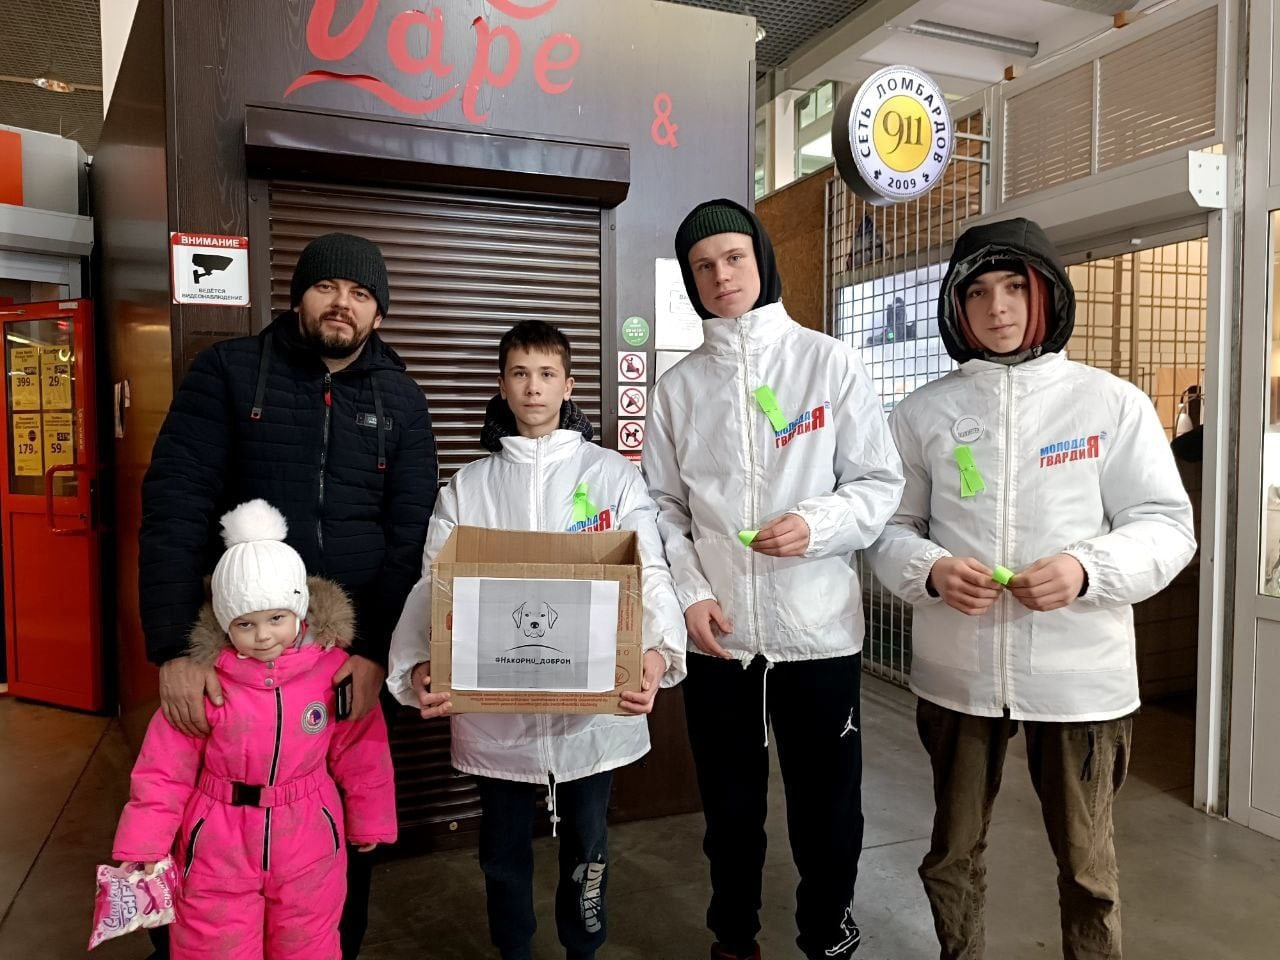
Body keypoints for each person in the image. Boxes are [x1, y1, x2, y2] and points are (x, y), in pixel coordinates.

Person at [865, 217, 1196, 960]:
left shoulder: (1109, 404)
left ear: (1046, 292)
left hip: (1080, 678)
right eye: (977, 292)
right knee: (951, 854)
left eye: (1015, 286)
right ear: (957, 307)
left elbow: (1168, 527)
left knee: (1087, 868)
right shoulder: (922, 413)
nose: (998, 307)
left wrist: (1086, 570)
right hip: (958, 673)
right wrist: (931, 570)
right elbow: (888, 528)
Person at [138, 232, 437, 958]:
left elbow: (412, 537)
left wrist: (375, 651)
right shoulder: (229, 373)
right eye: (327, 287)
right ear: (297, 295)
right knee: (202, 821)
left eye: (361, 294)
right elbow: (175, 508)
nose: (342, 304)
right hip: (234, 650)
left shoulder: (401, 398)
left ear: (379, 314)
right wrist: (175, 648)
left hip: (341, 655)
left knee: (341, 830)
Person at [643, 198, 904, 960]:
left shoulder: (829, 363)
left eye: (733, 257)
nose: (721, 276)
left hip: (816, 633)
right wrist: (691, 595)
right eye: (703, 266)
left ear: (761, 258)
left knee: (828, 811)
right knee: (729, 810)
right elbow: (662, 509)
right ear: (691, 281)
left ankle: (828, 936)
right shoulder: (678, 388)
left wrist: (817, 525)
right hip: (720, 639)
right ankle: (734, 938)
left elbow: (878, 484)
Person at [387, 320, 686, 960]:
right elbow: (434, 582)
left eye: (547, 374)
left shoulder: (611, 477)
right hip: (497, 719)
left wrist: (657, 652)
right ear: (502, 385)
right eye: (520, 374)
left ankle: (584, 947)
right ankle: (513, 950)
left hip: (591, 718)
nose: (533, 387)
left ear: (569, 385)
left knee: (589, 847)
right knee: (501, 852)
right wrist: (419, 662)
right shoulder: (469, 486)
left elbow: (650, 570)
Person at [114, 500, 397, 959]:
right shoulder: (207, 682)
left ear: (299, 611)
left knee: (308, 942)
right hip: (218, 844)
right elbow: (163, 770)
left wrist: (371, 817)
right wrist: (144, 841)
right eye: (245, 623)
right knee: (213, 943)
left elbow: (362, 751)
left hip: (308, 835)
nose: (263, 636)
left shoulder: (333, 672)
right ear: (226, 622)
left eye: (276, 619)